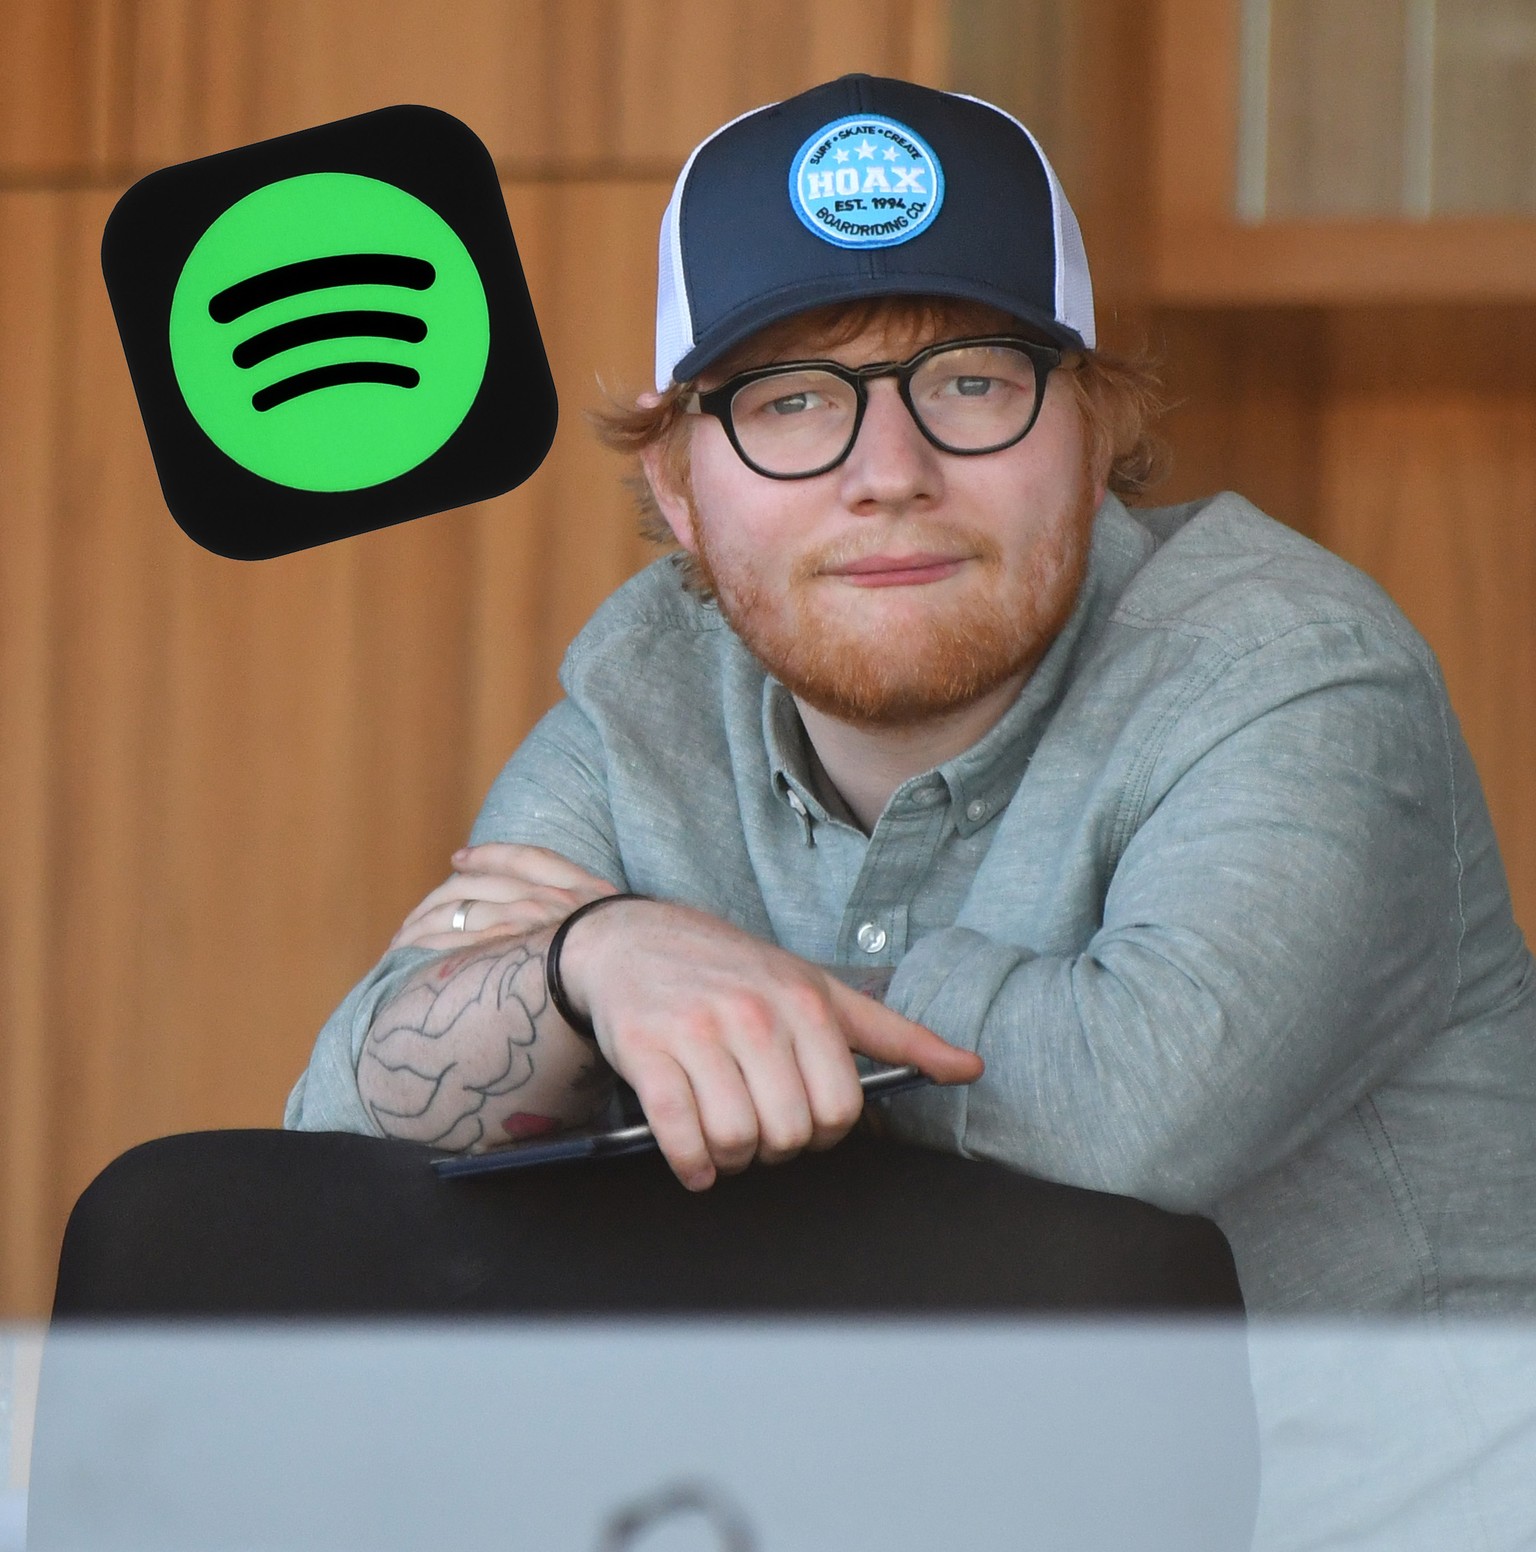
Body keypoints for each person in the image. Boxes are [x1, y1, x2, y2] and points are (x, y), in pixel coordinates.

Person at [288, 73, 1536, 1324]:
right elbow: (349, 1127)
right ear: (678, 487)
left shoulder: (1293, 668)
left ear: (1095, 430)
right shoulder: (648, 688)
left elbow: (1135, 1114)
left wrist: (686, 995)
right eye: (790, 401)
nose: (890, 474)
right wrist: (597, 955)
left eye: (972, 383)